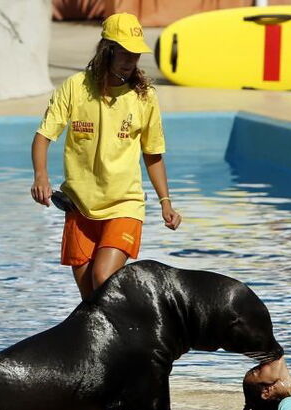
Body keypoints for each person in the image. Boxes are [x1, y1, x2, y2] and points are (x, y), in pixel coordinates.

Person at [30, 13, 181, 301]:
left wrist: (166, 202)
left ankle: (139, 336)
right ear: (106, 50)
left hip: (124, 204)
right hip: (80, 206)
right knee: (90, 300)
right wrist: (41, 176)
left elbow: (153, 154)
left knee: (103, 279)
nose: (130, 59)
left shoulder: (144, 96)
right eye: (123, 51)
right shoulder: (76, 87)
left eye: (135, 53)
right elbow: (43, 136)